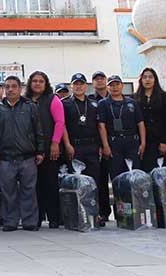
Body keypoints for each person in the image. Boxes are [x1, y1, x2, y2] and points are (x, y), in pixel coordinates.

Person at [0, 75, 45, 231]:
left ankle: (30, 222)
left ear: (20, 89)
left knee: (29, 191)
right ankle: (10, 221)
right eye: (8, 86)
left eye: (14, 86)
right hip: (5, 159)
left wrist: (40, 151)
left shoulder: (30, 107)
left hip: (28, 157)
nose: (11, 89)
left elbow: (38, 130)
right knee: (8, 193)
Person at [61, 73, 104, 224]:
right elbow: (63, 126)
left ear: (86, 86)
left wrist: (100, 146)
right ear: (71, 86)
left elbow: (99, 126)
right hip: (75, 146)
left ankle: (94, 215)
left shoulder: (94, 103)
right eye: (75, 84)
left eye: (81, 84)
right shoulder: (65, 103)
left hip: (92, 146)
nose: (78, 86)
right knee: (77, 182)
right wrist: (67, 145)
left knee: (94, 181)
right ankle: (78, 215)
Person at [26, 71, 65, 229]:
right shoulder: (25, 100)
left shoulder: (52, 99)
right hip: (30, 149)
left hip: (50, 148)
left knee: (50, 184)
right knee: (35, 186)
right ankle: (37, 217)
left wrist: (55, 143)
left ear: (46, 83)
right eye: (34, 81)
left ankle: (54, 218)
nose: (37, 84)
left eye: (41, 81)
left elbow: (60, 122)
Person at [98, 75, 145, 178]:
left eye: (117, 84)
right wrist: (105, 146)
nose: (115, 87)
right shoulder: (103, 104)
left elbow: (140, 123)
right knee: (116, 174)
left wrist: (143, 143)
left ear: (122, 85)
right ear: (107, 87)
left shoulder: (132, 102)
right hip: (114, 142)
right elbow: (101, 126)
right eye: (111, 85)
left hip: (132, 141)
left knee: (134, 174)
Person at [135, 67, 166, 172]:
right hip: (143, 142)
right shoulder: (135, 97)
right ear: (141, 80)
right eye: (145, 77)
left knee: (162, 172)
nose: (147, 80)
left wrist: (165, 141)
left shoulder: (164, 96)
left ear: (155, 79)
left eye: (150, 77)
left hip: (160, 141)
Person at [88, 71, 112, 222]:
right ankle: (103, 212)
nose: (100, 81)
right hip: (100, 146)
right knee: (101, 180)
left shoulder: (117, 97)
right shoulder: (90, 101)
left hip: (118, 142)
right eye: (96, 79)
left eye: (102, 78)